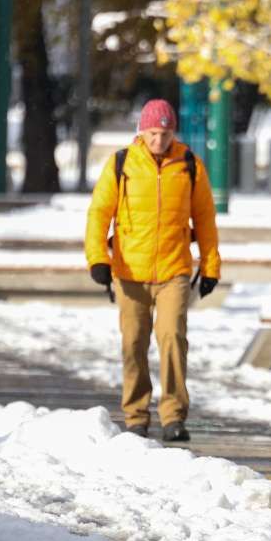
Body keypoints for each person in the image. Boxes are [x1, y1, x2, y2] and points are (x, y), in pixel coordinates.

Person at [84, 99, 221, 442]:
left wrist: (210, 266)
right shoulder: (122, 163)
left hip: (174, 269)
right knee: (133, 344)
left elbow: (205, 219)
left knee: (172, 338)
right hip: (130, 270)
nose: (159, 140)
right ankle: (136, 415)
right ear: (141, 131)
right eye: (154, 133)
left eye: (166, 133)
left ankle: (174, 415)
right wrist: (98, 259)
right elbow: (99, 213)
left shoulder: (189, 164)